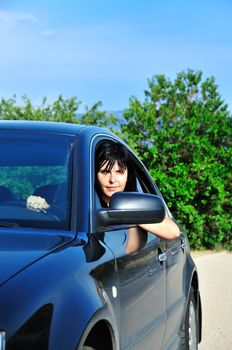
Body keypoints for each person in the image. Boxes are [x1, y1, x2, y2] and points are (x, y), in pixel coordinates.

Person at [95, 140, 180, 253]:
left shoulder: (134, 206)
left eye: (119, 172)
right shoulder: (83, 206)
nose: (112, 180)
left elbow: (174, 232)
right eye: (105, 172)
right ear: (95, 174)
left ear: (127, 175)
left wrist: (132, 213)